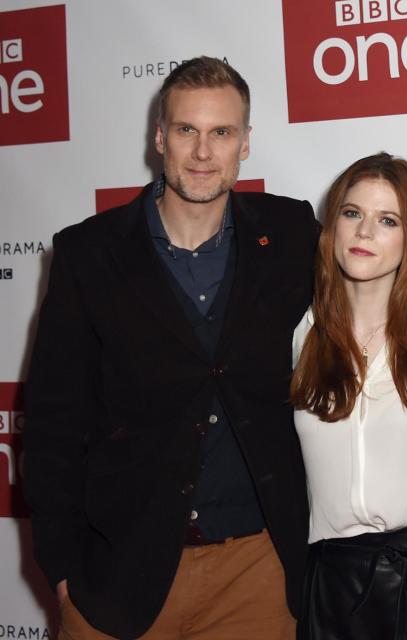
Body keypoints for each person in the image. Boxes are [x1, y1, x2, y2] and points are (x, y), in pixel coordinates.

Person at [23, 57, 316, 639]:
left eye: (221, 133)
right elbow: (53, 426)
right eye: (187, 131)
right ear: (160, 138)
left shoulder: (291, 234)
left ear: (246, 144)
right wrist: (62, 572)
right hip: (118, 578)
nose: (203, 152)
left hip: (255, 571)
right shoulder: (88, 253)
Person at [291, 153, 407, 639]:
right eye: (352, 213)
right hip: (327, 584)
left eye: (387, 220)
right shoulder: (300, 333)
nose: (364, 232)